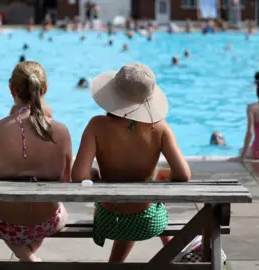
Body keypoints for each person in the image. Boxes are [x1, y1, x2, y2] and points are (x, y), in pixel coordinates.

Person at [71, 63, 191, 263]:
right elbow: (183, 175)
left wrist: (93, 173)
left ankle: (117, 263)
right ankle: (174, 253)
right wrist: (164, 176)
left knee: (119, 205)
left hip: (108, 221)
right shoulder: (159, 128)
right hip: (148, 222)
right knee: (153, 199)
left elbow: (78, 177)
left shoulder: (96, 125)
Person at [0, 61, 72, 262]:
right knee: (58, 212)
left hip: (2, 222)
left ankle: (26, 257)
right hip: (47, 221)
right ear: (45, 89)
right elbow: (67, 183)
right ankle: (28, 256)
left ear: (12, 89)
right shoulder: (62, 132)